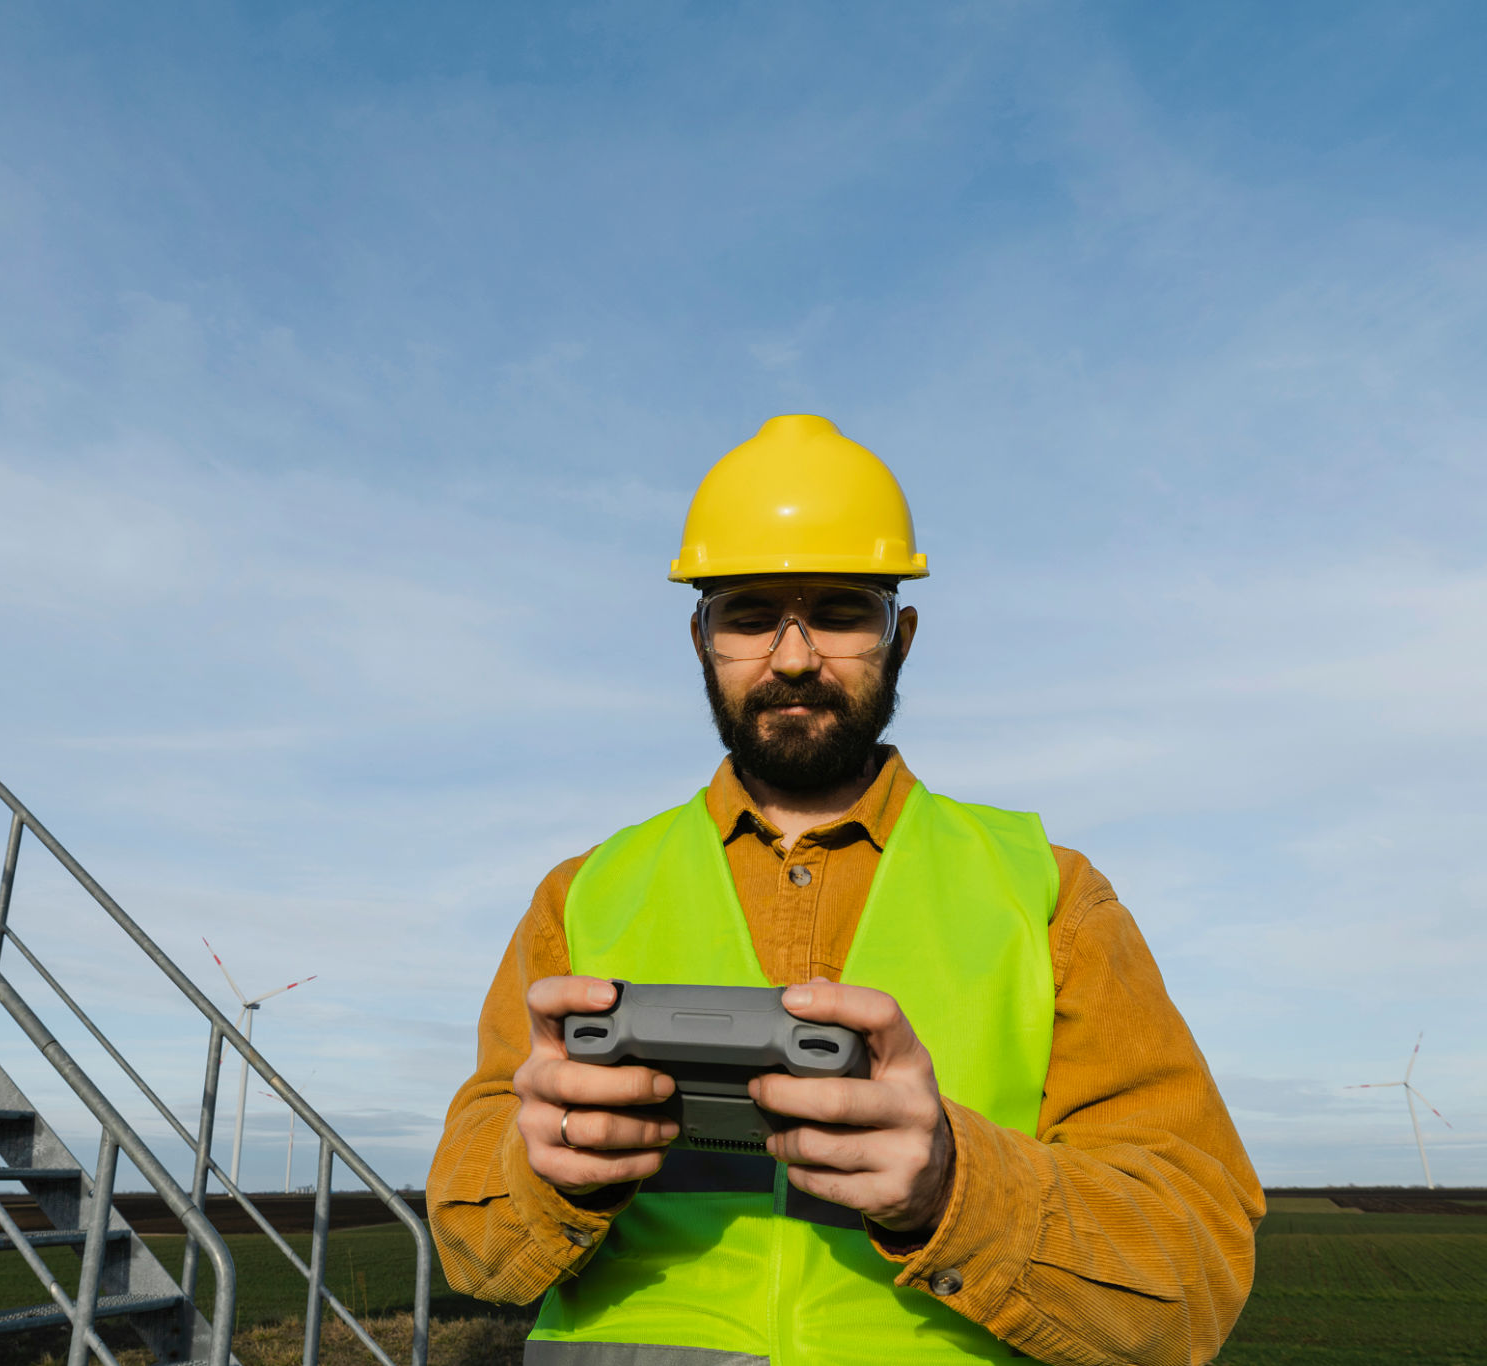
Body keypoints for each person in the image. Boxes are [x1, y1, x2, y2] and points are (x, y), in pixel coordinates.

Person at [428, 415, 1263, 1366]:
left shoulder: (1051, 896)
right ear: (700, 641)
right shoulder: (581, 895)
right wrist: (545, 1175)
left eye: (838, 611)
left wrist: (954, 1186)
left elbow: (1192, 1279)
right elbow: (469, 1244)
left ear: (901, 637)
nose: (793, 657)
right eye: (749, 616)